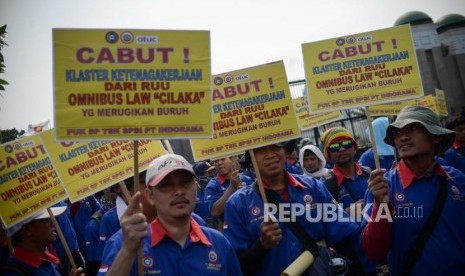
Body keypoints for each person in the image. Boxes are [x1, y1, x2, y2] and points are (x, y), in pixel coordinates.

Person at [223, 141, 365, 275]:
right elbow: (235, 266)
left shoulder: (313, 188)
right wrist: (262, 245)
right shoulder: (238, 204)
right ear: (250, 161)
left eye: (275, 147)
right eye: (260, 150)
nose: (270, 154)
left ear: (285, 151)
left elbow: (342, 237)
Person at [98, 153, 242, 275]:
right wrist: (127, 252)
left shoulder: (219, 243)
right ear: (150, 196)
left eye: (185, 182)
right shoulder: (125, 244)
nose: (179, 191)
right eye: (166, 185)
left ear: (196, 187)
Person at [363, 105, 465, 275]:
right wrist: (380, 206)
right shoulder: (382, 188)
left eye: (413, 128)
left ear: (435, 136)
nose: (402, 137)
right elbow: (374, 252)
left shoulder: (457, 180)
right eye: (397, 132)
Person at [0, 207, 84, 275]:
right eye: (46, 220)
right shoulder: (14, 272)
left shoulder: (46, 261)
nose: (53, 223)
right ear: (28, 230)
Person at [320, 127, 371, 217]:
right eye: (335, 147)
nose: (342, 149)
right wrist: (346, 213)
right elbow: (322, 218)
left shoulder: (368, 173)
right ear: (329, 154)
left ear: (354, 148)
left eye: (346, 144)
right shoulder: (325, 183)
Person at [204, 155, 253, 226]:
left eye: (223, 159)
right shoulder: (212, 186)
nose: (219, 163)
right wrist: (232, 187)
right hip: (231, 231)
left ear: (232, 161)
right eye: (216, 161)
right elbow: (215, 212)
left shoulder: (246, 179)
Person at [193, 161, 217, 227]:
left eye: (212, 173)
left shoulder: (216, 189)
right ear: (200, 176)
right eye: (209, 173)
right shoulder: (193, 194)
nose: (212, 175)